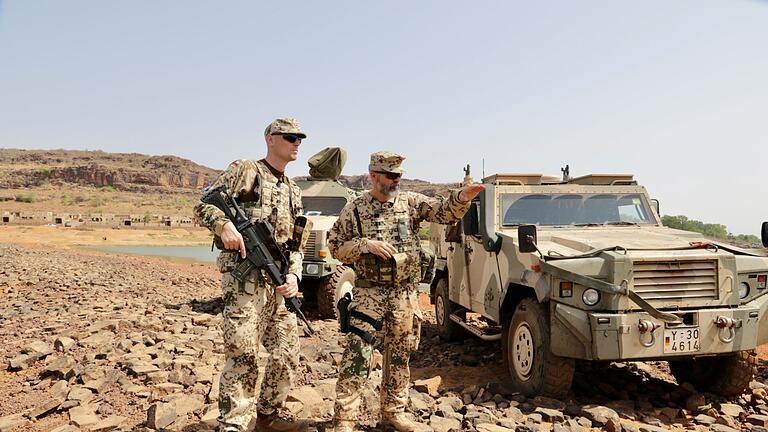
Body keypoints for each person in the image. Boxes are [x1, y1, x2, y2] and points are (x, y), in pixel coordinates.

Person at [328, 151, 485, 432]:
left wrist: (461, 198)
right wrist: (365, 245)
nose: (396, 180)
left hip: (405, 295)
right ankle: (345, 419)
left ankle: (393, 412)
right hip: (369, 295)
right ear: (373, 175)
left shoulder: (411, 203)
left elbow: (442, 212)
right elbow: (336, 247)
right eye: (390, 175)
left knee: (400, 356)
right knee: (357, 354)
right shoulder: (354, 210)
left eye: (399, 175)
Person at [193, 118, 308, 432]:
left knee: (287, 354)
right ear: (270, 139)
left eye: (300, 138)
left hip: (279, 285)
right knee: (243, 354)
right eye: (290, 137)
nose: (296, 142)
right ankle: (235, 423)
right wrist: (223, 225)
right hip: (244, 285)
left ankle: (267, 415)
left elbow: (297, 245)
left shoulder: (293, 191)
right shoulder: (245, 170)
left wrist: (294, 276)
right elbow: (203, 205)